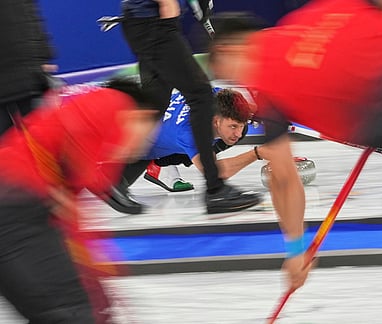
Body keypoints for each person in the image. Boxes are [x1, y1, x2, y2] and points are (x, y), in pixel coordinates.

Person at [207, 3, 382, 322]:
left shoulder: (266, 87)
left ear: (228, 50)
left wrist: (295, 251)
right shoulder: (313, 15)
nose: (239, 84)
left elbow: (283, 177)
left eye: (229, 75)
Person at [0, 78, 160, 323]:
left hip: (22, 206)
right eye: (147, 136)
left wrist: (97, 275)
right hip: (16, 201)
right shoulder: (112, 103)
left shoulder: (93, 146)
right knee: (72, 309)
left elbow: (72, 220)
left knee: (65, 308)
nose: (141, 148)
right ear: (141, 116)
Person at [113, 0, 260, 215]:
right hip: (156, 22)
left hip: (143, 22)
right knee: (200, 95)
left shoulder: (220, 104)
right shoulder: (188, 132)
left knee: (156, 105)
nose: (237, 133)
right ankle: (215, 189)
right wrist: (169, 10)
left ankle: (115, 180)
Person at [111, 88, 263, 213]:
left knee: (237, 132)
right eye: (233, 126)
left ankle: (164, 161)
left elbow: (238, 104)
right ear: (216, 121)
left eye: (240, 125)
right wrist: (256, 153)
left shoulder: (213, 96)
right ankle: (158, 164)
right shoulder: (190, 134)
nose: (237, 132)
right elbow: (216, 173)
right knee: (111, 185)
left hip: (146, 122)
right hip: (130, 146)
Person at [0, 0, 57, 135]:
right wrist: (44, 56)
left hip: (28, 76)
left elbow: (31, 19)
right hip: (29, 76)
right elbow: (32, 19)